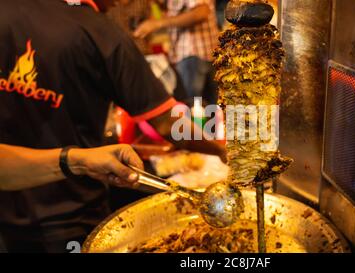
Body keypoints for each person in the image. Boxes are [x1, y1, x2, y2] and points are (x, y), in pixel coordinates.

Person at [0, 0, 224, 252]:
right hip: (71, 215)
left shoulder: (6, 10)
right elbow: (166, 124)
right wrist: (220, 149)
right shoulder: (101, 34)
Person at [134, 0, 219, 106]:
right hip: (198, 56)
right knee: (209, 111)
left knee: (193, 109)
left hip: (194, 55)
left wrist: (158, 23)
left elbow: (201, 12)